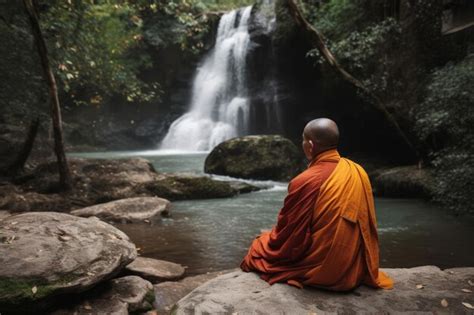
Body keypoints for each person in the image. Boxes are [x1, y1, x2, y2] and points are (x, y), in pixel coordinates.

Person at [240, 118, 393, 291]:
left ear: (310, 145)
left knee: (259, 245)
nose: (302, 144)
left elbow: (290, 238)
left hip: (324, 270)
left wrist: (269, 237)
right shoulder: (358, 171)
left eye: (303, 140)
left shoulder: (305, 180)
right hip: (354, 266)